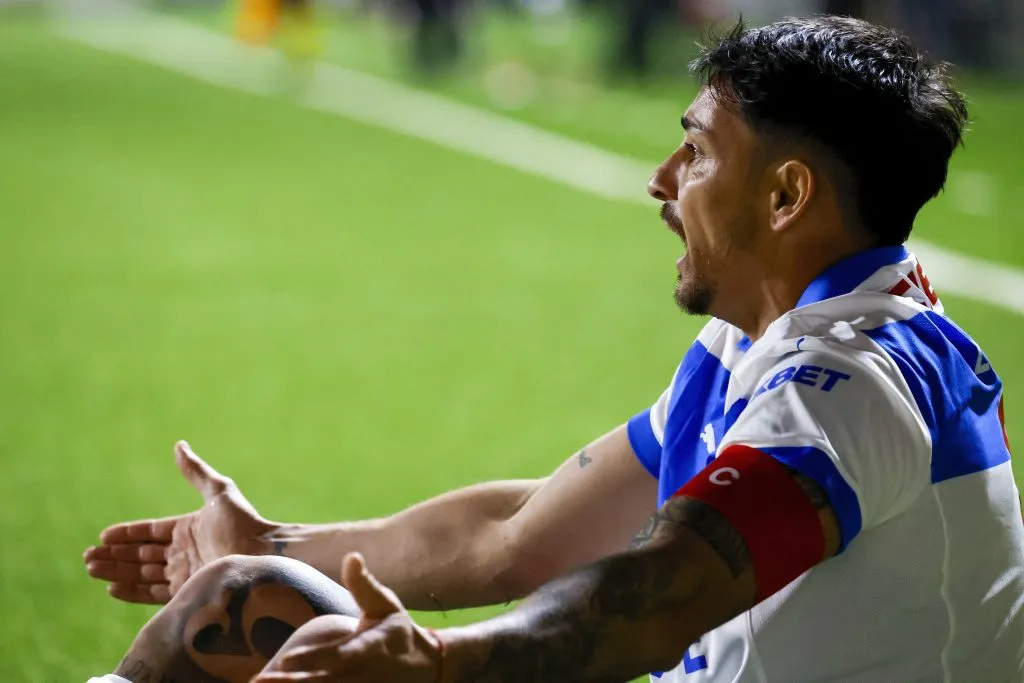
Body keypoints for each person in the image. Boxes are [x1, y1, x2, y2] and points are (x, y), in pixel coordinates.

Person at [84, 15, 1024, 683]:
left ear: (786, 197)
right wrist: (281, 542)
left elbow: (658, 595)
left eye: (696, 153)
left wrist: (442, 663)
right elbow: (521, 536)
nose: (661, 181)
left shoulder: (850, 383)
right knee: (247, 592)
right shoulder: (766, 340)